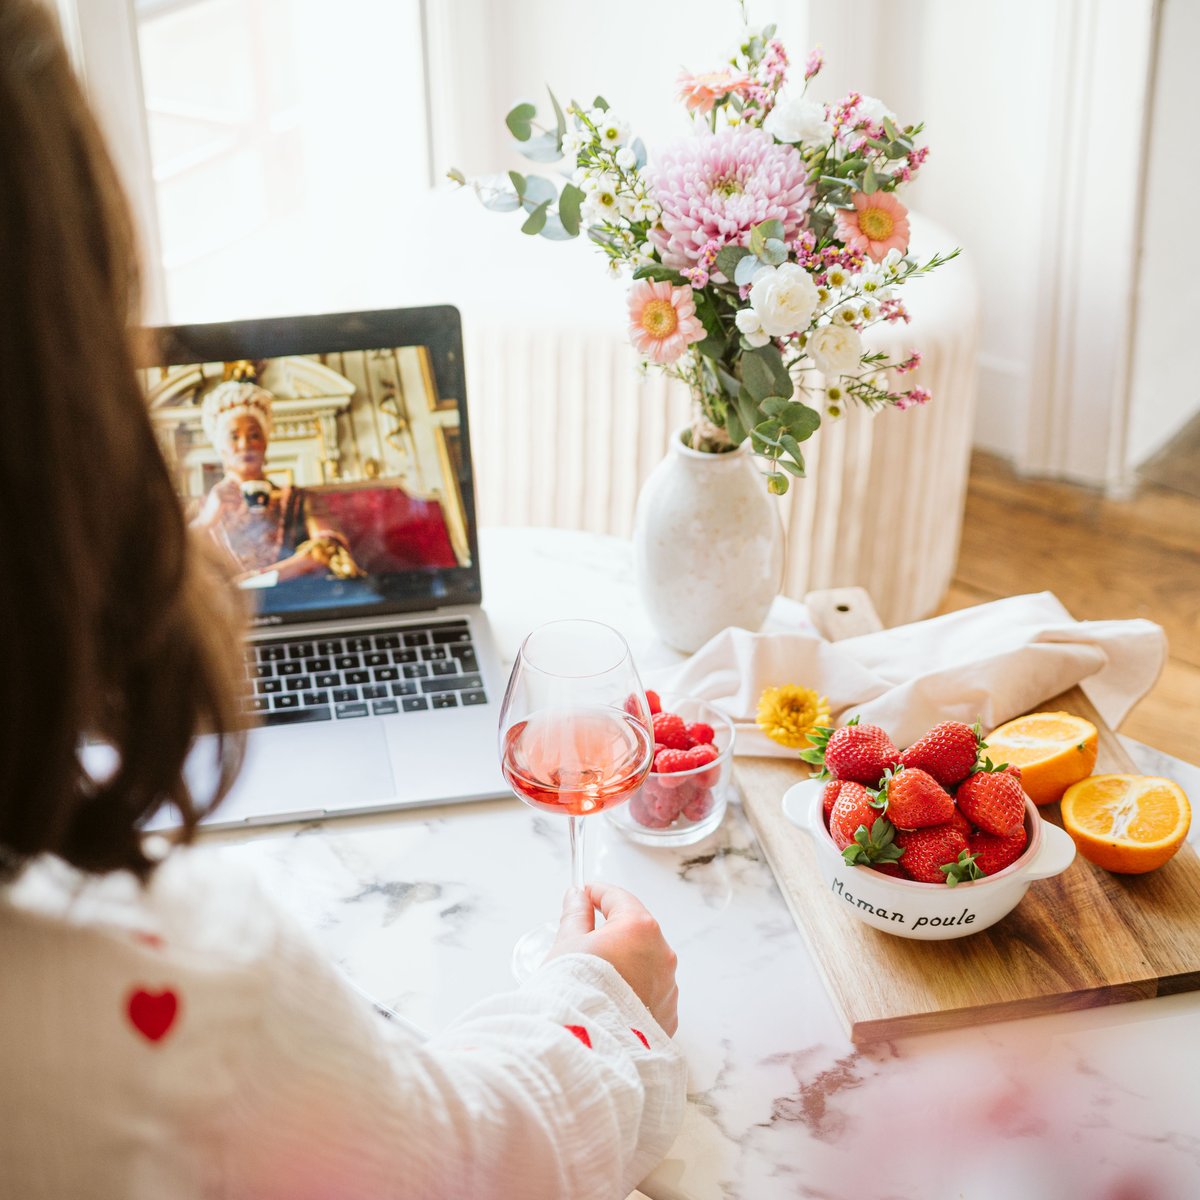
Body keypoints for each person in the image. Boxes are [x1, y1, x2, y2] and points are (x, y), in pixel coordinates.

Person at [0, 3, 686, 1198]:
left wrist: (329, 557)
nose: (257, 445)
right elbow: (469, 1157)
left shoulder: (305, 493)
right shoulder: (170, 982)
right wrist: (608, 1000)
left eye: (266, 430)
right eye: (245, 433)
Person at [191, 379, 366, 585]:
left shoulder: (300, 499)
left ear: (266, 442)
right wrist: (205, 520)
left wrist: (259, 578)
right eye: (234, 436)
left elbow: (328, 546)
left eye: (254, 435)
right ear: (220, 447)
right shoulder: (202, 508)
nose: (245, 444)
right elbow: (165, 562)